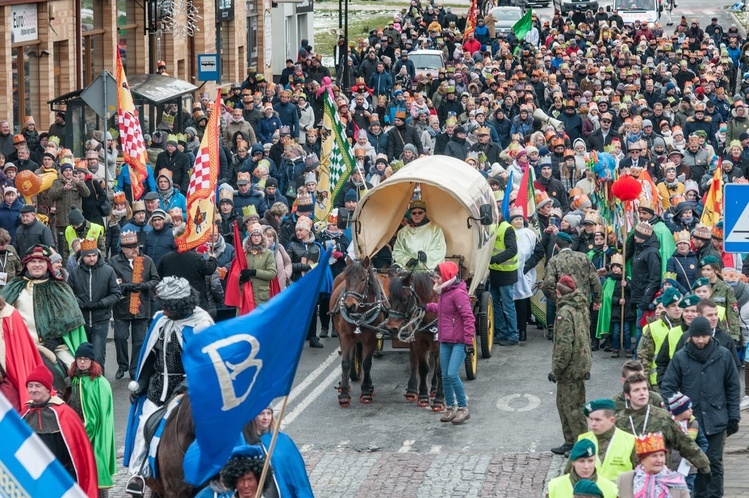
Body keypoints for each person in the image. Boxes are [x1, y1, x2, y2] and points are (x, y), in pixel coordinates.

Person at [124, 276, 214, 495]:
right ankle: (138, 475)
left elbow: (205, 365)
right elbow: (151, 355)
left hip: (188, 391)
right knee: (144, 426)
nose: (163, 311)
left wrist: (185, 385)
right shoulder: (159, 320)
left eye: (168, 307)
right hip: (158, 389)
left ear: (180, 305)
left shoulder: (201, 324)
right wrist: (142, 383)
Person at [660, 315, 741, 497]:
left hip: (716, 418)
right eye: (697, 336)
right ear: (690, 336)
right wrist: (677, 413)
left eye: (704, 336)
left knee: (714, 463)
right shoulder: (681, 357)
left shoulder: (724, 355)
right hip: (691, 422)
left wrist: (734, 415)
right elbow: (668, 387)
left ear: (710, 335)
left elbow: (733, 388)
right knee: (692, 464)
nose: (701, 340)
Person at [1, 244, 87, 367]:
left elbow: (71, 320)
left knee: (75, 371)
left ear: (48, 265)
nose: (37, 265)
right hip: (20, 345)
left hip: (55, 346)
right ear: (27, 265)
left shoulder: (60, 288)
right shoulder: (14, 286)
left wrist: (56, 339)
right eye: (33, 262)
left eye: (41, 261)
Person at [22, 364, 99, 497]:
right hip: (34, 478)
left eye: (38, 386)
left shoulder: (64, 414)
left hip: (61, 477)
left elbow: (79, 453)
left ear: (48, 388)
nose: (33, 390)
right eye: (30, 386)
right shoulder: (24, 414)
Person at [615, 372, 711, 474]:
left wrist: (704, 465)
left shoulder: (663, 417)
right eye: (636, 390)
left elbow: (684, 441)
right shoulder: (619, 420)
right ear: (627, 395)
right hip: (630, 476)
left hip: (660, 477)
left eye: (644, 389)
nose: (642, 393)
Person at [425, 261, 474, 425]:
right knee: (444, 376)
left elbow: (468, 317)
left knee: (452, 374)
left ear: (445, 277)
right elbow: (442, 309)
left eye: (437, 277)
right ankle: (450, 408)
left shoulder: (458, 294)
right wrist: (426, 307)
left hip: (459, 341)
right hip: (445, 340)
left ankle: (463, 408)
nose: (435, 280)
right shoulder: (444, 291)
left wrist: (469, 342)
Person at [549, 275, 592, 455]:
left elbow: (564, 345)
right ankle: (570, 441)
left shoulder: (564, 313)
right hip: (581, 363)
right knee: (564, 404)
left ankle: (580, 445)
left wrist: (556, 370)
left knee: (572, 408)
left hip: (570, 368)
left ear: (559, 293)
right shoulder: (581, 307)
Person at [108, 231, 160, 380]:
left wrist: (144, 286)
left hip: (142, 306)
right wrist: (127, 286)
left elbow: (156, 279)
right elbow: (112, 282)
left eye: (136, 246)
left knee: (139, 340)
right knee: (120, 337)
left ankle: (134, 367)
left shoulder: (147, 261)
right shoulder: (113, 262)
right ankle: (122, 365)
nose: (135, 249)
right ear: (123, 249)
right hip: (122, 306)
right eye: (130, 247)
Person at [68, 342, 116, 497]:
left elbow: (96, 417)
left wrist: (82, 434)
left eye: (85, 359)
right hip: (76, 431)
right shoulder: (72, 380)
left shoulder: (99, 383)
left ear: (92, 361)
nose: (82, 362)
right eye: (79, 359)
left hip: (93, 434)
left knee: (96, 467)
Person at [67, 239, 121, 368]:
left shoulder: (108, 271)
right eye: (88, 256)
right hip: (81, 320)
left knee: (98, 355)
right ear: (82, 257)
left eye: (94, 255)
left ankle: (98, 381)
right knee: (83, 355)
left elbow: (116, 293)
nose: (91, 259)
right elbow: (69, 294)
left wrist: (101, 303)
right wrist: (81, 303)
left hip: (101, 319)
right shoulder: (75, 273)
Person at [542, 232, 602, 341]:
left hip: (563, 304)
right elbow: (595, 280)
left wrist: (556, 298)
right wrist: (597, 300)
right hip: (582, 302)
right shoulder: (584, 258)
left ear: (556, 246)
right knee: (582, 335)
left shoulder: (554, 261)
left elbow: (547, 284)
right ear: (570, 245)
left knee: (565, 335)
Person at [244, 408, 314, 497]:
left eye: (269, 413)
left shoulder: (283, 440)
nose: (266, 417)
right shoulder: (246, 443)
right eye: (261, 413)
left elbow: (298, 474)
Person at [572, 399, 637, 482]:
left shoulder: (630, 441)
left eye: (598, 420)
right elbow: (570, 472)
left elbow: (640, 474)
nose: (593, 424)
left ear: (611, 420)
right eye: (591, 419)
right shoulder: (582, 439)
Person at [286, 214, 323, 348]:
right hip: (297, 282)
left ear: (308, 231)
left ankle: (312, 336)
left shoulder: (316, 246)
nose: (298, 232)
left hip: (311, 283)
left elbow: (320, 263)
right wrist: (305, 266)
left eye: (301, 230)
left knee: (312, 310)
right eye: (297, 230)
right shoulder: (291, 246)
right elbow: (288, 264)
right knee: (297, 311)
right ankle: (296, 337)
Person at [616, 432, 690, 498]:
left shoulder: (677, 481)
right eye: (654, 456)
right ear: (642, 460)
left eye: (661, 455)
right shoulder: (625, 479)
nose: (659, 460)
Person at [637, 287, 682, 387]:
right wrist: (644, 383)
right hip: (658, 382)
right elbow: (644, 357)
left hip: (682, 382)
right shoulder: (653, 328)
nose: (677, 308)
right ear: (666, 308)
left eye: (679, 305)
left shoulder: (688, 325)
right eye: (673, 305)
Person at [665, 392, 708, 494]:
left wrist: (697, 456)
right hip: (673, 468)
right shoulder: (669, 426)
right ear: (679, 411)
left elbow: (703, 442)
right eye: (688, 408)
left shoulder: (694, 424)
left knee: (689, 490)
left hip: (689, 468)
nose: (691, 410)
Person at [546, 439, 618, 498]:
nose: (586, 466)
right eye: (581, 461)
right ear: (573, 462)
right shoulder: (555, 487)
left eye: (590, 461)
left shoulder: (612, 489)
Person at [391, 199, 446, 271]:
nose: (417, 215)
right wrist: (407, 260)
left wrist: (426, 256)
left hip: (429, 271)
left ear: (425, 213)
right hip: (408, 271)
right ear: (410, 214)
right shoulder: (403, 232)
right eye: (414, 213)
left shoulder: (435, 230)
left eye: (420, 213)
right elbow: (397, 251)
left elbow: (440, 250)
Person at [509, 207, 537, 342]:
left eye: (520, 219)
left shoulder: (529, 233)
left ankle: (522, 330)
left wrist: (528, 265)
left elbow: (539, 252)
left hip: (525, 270)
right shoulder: (508, 233)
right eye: (516, 219)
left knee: (522, 300)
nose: (519, 221)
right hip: (510, 269)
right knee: (511, 301)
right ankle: (513, 328)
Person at [240, 223, 277, 307]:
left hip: (261, 296)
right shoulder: (244, 253)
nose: (256, 238)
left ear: (262, 237)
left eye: (258, 235)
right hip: (245, 293)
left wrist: (254, 272)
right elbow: (236, 273)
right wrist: (241, 278)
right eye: (254, 235)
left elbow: (272, 274)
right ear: (250, 237)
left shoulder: (268, 253)